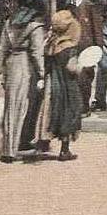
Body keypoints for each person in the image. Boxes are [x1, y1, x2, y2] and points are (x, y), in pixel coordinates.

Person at [0, 0, 46, 163]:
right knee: (22, 107)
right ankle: (12, 150)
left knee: (10, 107)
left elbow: (2, 48)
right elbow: (37, 53)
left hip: (11, 64)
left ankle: (11, 146)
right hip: (26, 67)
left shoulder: (10, 22)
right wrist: (43, 74)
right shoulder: (35, 25)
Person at [36, 9, 83, 161]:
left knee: (50, 112)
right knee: (70, 112)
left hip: (53, 84)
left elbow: (46, 66)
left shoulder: (50, 45)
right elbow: (72, 68)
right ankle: (64, 150)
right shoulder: (69, 48)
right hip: (68, 85)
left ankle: (43, 142)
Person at [63, 0, 104, 116]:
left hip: (87, 47)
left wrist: (98, 46)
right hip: (72, 46)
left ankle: (84, 107)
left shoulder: (89, 6)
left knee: (85, 78)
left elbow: (96, 27)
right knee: (73, 77)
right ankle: (75, 106)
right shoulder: (68, 7)